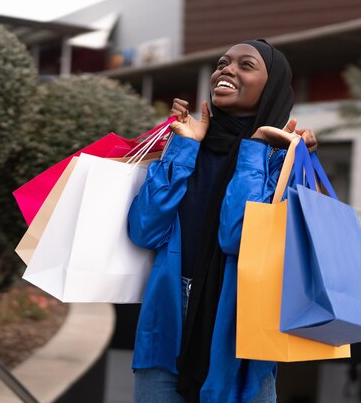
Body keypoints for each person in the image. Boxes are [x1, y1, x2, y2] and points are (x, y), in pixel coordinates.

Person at [127, 40, 318, 403]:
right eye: (222, 63)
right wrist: (184, 147)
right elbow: (144, 229)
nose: (227, 70)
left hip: (238, 329)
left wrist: (257, 147)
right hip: (167, 319)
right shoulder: (188, 143)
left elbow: (237, 237)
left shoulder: (282, 159)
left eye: (246, 65)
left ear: (271, 86)